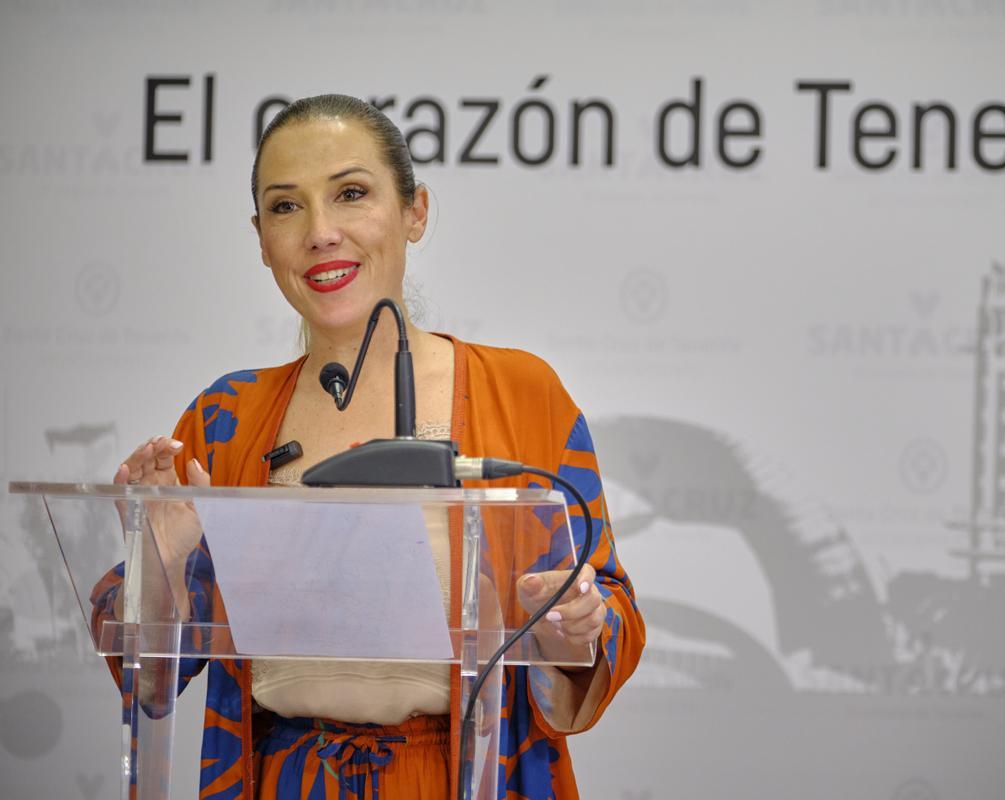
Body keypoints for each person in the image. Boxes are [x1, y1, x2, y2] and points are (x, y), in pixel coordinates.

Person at [89, 94, 644, 800]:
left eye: (351, 194)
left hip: (461, 779)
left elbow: (607, 609)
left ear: (415, 211)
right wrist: (156, 565)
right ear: (261, 239)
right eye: (287, 207)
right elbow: (151, 678)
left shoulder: (522, 391)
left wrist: (576, 629)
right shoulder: (225, 417)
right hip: (281, 781)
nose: (321, 232)